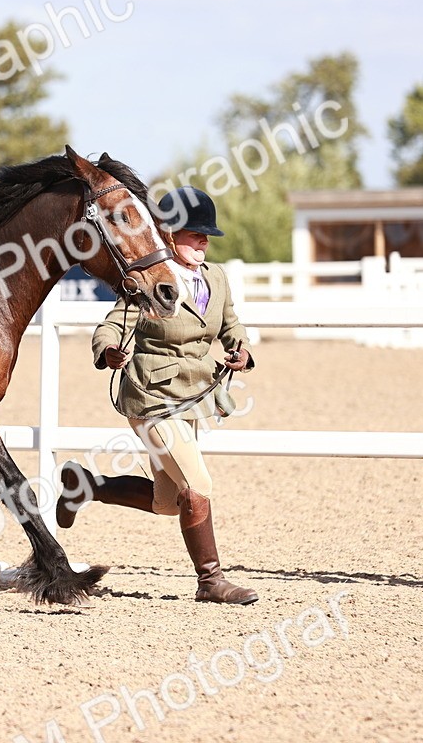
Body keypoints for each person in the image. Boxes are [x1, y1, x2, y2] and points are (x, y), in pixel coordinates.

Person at [56, 186, 258, 605]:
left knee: (169, 502)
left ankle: (87, 487)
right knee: (198, 486)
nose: (203, 241)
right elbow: (110, 326)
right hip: (151, 399)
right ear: (168, 236)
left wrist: (241, 349)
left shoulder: (216, 278)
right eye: (194, 234)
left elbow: (231, 325)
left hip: (194, 398)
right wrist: (108, 352)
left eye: (206, 235)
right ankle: (211, 582)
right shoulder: (149, 282)